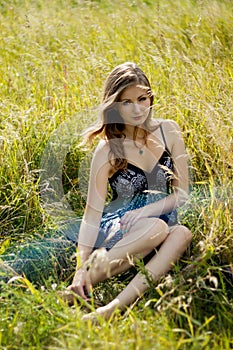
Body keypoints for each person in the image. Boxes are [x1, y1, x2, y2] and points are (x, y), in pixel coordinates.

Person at [63, 62, 193, 320]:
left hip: (161, 222)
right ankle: (80, 284)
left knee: (182, 233)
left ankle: (111, 309)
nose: (137, 109)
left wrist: (148, 210)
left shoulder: (169, 131)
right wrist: (80, 267)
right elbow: (92, 214)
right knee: (155, 228)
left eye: (142, 99)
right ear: (114, 106)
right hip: (121, 231)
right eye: (126, 102)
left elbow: (182, 194)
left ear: (151, 97)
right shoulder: (108, 149)